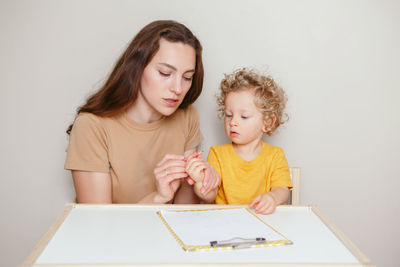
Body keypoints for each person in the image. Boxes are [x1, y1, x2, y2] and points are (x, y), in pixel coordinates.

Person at [65, 20, 219, 204]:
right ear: (136, 68)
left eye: (187, 77)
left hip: (164, 232)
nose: (178, 88)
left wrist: (201, 184)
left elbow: (184, 213)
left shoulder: (187, 117)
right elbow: (99, 225)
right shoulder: (91, 126)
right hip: (113, 233)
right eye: (164, 73)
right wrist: (158, 197)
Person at [185, 68, 292, 214]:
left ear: (267, 122)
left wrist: (272, 197)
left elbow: (282, 190)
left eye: (244, 116)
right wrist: (200, 182)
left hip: (262, 222)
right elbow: (210, 196)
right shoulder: (218, 153)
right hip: (225, 223)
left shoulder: (275, 155)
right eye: (229, 115)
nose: (233, 122)